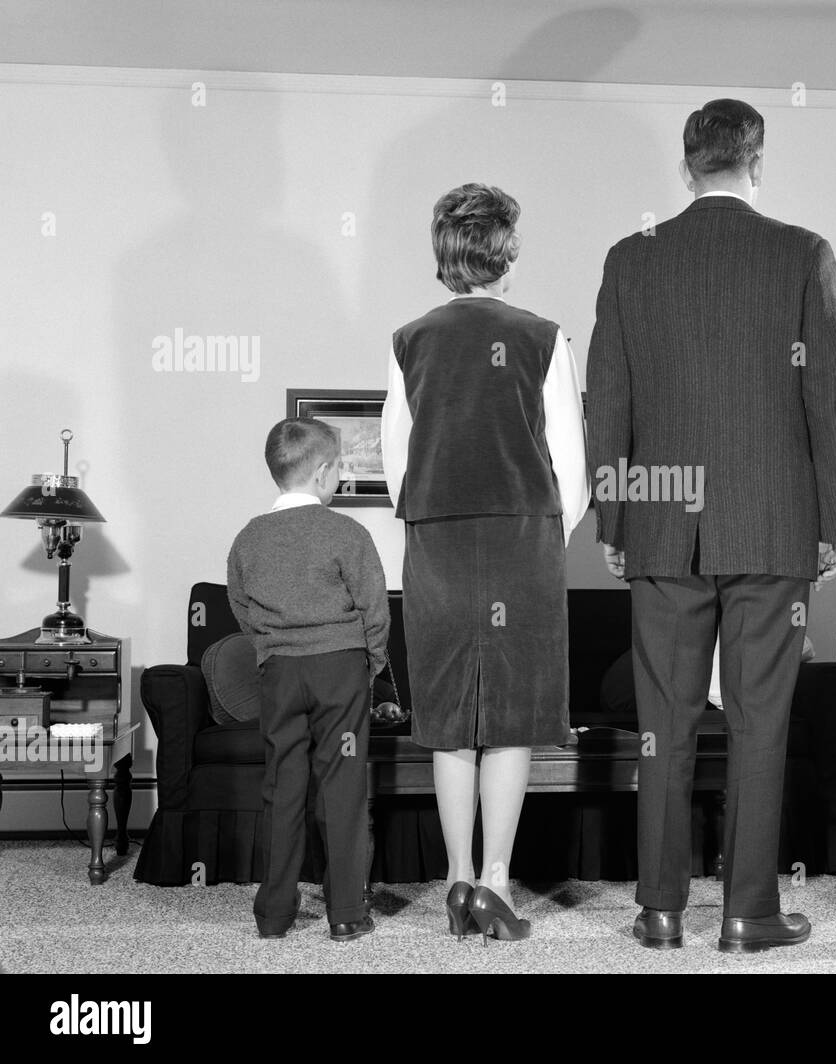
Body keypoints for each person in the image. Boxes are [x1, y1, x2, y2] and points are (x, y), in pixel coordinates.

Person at [586, 99, 836, 952]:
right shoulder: (802, 252)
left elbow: (610, 399)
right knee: (759, 724)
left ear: (686, 165)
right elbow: (830, 398)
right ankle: (749, 914)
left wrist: (613, 513)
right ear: (757, 160)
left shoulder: (631, 259)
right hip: (773, 526)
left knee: (663, 726)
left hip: (661, 527)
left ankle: (660, 911)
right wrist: (833, 519)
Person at [381, 183, 589, 944]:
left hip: (435, 539)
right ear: (507, 251)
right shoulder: (545, 337)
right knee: (509, 717)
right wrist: (537, 541)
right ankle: (498, 882)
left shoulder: (408, 339)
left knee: (446, 719)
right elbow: (574, 469)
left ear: (445, 255)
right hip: (521, 539)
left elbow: (398, 464)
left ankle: (456, 879)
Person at [227, 417, 390, 942]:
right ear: (323, 472)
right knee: (342, 788)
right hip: (340, 668)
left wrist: (271, 645)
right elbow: (374, 609)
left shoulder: (249, 537)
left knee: (282, 787)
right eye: (338, 467)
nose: (339, 476)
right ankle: (345, 912)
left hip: (279, 672)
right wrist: (374, 662)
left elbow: (240, 603)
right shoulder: (347, 532)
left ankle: (274, 914)